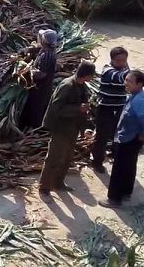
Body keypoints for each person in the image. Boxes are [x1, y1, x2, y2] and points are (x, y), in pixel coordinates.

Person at [92, 47, 144, 173]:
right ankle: (97, 162)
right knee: (101, 136)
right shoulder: (108, 70)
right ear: (112, 60)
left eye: (124, 60)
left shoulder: (125, 67)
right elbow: (122, 77)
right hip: (106, 107)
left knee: (118, 132)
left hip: (120, 106)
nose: (122, 63)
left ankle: (114, 154)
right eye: (119, 60)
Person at [38, 60, 96, 203]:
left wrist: (85, 127)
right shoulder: (67, 86)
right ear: (88, 75)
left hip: (72, 127)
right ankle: (44, 188)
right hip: (60, 128)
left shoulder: (82, 86)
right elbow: (57, 107)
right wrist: (78, 109)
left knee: (67, 157)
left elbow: (83, 108)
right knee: (54, 157)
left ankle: (59, 182)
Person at [98, 70, 144, 208]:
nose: (125, 83)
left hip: (129, 139)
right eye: (126, 80)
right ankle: (125, 192)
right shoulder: (134, 96)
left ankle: (114, 199)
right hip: (129, 137)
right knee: (128, 167)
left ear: (140, 84)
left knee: (119, 169)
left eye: (130, 81)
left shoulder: (139, 101)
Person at [20, 29, 58, 130]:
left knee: (35, 110)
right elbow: (39, 38)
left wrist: (28, 71)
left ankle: (36, 130)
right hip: (39, 88)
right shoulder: (45, 50)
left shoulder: (47, 56)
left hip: (40, 90)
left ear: (44, 41)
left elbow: (42, 74)